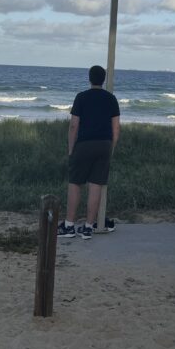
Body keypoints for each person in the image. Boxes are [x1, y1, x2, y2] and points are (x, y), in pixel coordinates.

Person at [58, 65, 120, 240]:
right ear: (104, 79)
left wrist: (71, 148)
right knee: (96, 185)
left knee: (75, 183)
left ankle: (69, 225)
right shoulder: (111, 99)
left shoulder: (81, 97)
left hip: (84, 144)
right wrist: (111, 148)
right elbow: (116, 128)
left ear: (89, 78)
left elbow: (73, 125)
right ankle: (87, 227)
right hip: (104, 145)